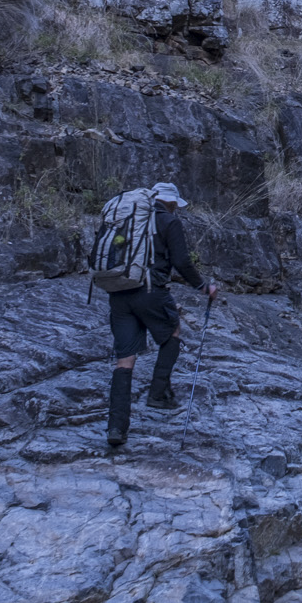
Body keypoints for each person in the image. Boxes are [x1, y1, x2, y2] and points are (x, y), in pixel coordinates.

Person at [106, 181, 217, 447]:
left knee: (125, 360)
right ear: (172, 202)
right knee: (172, 334)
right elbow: (181, 261)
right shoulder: (169, 222)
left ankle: (116, 428)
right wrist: (203, 286)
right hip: (151, 290)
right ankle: (158, 394)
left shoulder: (128, 218)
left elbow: (113, 249)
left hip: (119, 291)